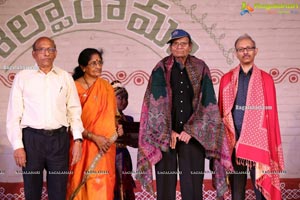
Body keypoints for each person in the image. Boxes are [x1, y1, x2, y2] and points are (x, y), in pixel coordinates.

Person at [136, 29, 227, 200]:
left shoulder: (201, 67)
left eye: (183, 44)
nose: (179, 47)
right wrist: (168, 131)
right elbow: (153, 104)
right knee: (165, 182)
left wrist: (191, 130)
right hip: (166, 136)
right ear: (170, 47)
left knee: (193, 183)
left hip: (192, 136)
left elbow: (208, 103)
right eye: (175, 44)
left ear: (190, 47)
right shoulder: (160, 68)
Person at [6, 36, 84, 200]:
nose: (46, 53)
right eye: (42, 49)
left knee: (58, 192)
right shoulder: (23, 77)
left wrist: (77, 139)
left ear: (55, 53)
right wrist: (17, 146)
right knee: (32, 192)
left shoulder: (65, 77)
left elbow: (74, 110)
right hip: (32, 141)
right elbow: (14, 114)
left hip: (59, 141)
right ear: (34, 54)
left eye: (50, 49)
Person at [218, 34, 285, 200]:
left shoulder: (266, 79)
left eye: (249, 48)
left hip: (259, 143)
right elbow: (221, 113)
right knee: (237, 192)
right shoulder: (226, 79)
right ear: (236, 53)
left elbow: (271, 116)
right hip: (233, 141)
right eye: (241, 49)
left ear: (256, 51)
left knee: (261, 191)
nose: (245, 52)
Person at [66, 48, 119, 200]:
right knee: (80, 182)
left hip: (105, 147)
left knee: (102, 185)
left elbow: (114, 116)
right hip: (81, 144)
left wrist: (118, 127)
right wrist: (93, 137)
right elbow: (70, 120)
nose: (98, 66)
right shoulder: (73, 87)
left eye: (100, 62)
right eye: (93, 63)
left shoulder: (107, 87)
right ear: (83, 67)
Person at [111, 80, 137, 200]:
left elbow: (134, 141)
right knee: (112, 184)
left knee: (124, 183)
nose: (123, 101)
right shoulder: (104, 118)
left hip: (124, 155)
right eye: (120, 98)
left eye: (126, 98)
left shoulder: (128, 119)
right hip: (109, 155)